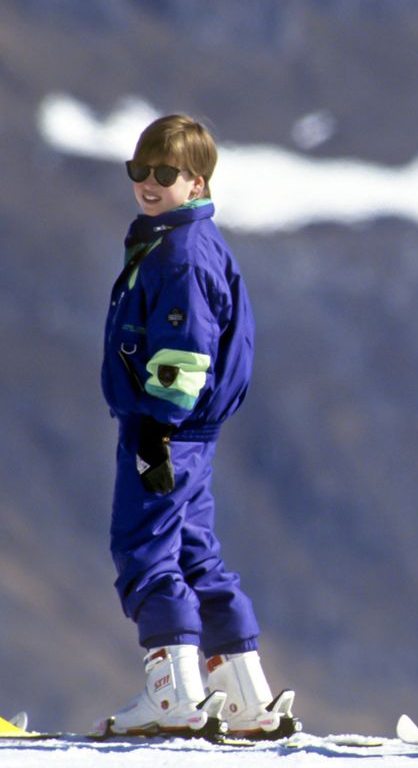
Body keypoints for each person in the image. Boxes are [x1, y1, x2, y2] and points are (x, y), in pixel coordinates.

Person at [96, 114, 297, 739]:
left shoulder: (181, 255)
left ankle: (175, 694)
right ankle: (243, 695)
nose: (149, 184)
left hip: (166, 432)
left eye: (164, 173)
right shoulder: (181, 241)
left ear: (198, 180)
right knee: (194, 552)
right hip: (190, 436)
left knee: (145, 547)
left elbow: (185, 350)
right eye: (139, 171)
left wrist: (157, 430)